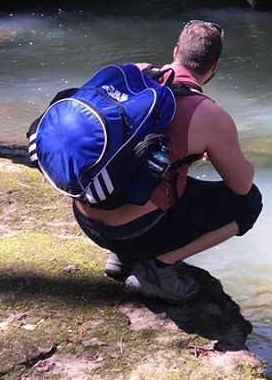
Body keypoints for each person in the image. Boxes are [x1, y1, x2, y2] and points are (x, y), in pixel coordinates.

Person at [72, 20, 262, 303]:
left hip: (85, 217)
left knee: (163, 178)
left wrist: (187, 156)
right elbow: (241, 186)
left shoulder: (133, 78)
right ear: (215, 67)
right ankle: (158, 267)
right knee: (250, 204)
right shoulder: (208, 114)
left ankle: (122, 259)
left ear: (175, 52)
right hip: (133, 230)